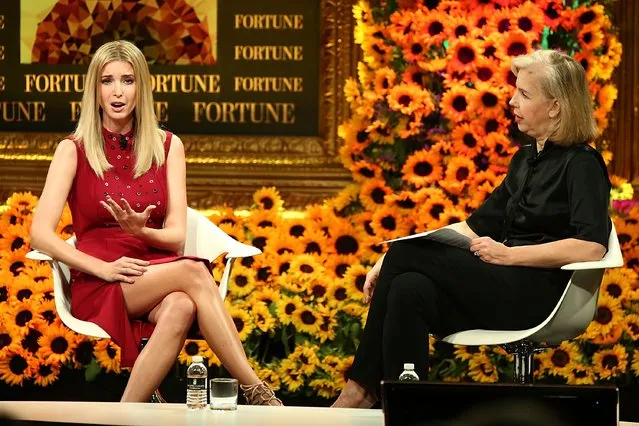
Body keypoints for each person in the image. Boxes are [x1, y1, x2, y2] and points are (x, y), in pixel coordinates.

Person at [332, 49, 611, 408]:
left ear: (555, 106)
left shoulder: (583, 164)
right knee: (407, 287)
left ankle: (359, 390)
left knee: (404, 256)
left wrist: (510, 255)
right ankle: (406, 403)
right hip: (501, 285)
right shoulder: (524, 159)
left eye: (524, 95)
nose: (512, 101)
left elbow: (592, 247)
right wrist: (391, 262)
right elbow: (475, 226)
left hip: (541, 295)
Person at [30, 40, 281, 405]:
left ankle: (126, 411)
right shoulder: (74, 149)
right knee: (195, 273)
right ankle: (256, 390)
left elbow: (177, 237)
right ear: (94, 89)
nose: (117, 92)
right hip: (102, 281)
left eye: (128, 81)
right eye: (107, 81)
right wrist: (103, 269)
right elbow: (39, 232)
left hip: (157, 268)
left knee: (181, 304)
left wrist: (141, 231)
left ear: (142, 88)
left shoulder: (168, 146)